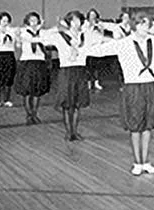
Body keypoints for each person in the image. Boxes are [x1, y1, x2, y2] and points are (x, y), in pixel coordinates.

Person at [86, 13, 154, 175]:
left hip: (151, 86)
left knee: (148, 125)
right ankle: (137, 162)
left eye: (147, 24)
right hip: (133, 88)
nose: (145, 28)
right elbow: (100, 51)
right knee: (135, 125)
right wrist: (86, 45)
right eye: (142, 24)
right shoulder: (124, 43)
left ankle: (146, 161)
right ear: (134, 26)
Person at [27, 10, 105, 141]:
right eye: (73, 20)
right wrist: (53, 27)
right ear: (68, 22)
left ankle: (75, 131)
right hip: (66, 72)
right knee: (67, 103)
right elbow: (41, 39)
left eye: (78, 20)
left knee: (77, 104)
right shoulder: (60, 36)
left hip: (80, 71)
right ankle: (68, 132)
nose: (76, 22)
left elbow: (102, 40)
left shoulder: (86, 36)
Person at [13, 11, 50, 124]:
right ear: (27, 21)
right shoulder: (23, 32)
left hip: (39, 62)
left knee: (37, 91)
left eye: (36, 20)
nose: (34, 23)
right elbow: (19, 46)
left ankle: (34, 114)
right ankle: (28, 115)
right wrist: (18, 37)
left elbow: (47, 43)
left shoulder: (42, 33)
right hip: (27, 62)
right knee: (27, 90)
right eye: (31, 20)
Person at [84, 8, 106, 91]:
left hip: (97, 49)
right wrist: (91, 26)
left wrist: (99, 28)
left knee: (97, 67)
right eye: (91, 15)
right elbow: (84, 33)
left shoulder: (99, 24)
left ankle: (96, 82)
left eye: (94, 15)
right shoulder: (85, 25)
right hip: (88, 49)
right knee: (88, 67)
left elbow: (102, 35)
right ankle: (89, 83)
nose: (92, 17)